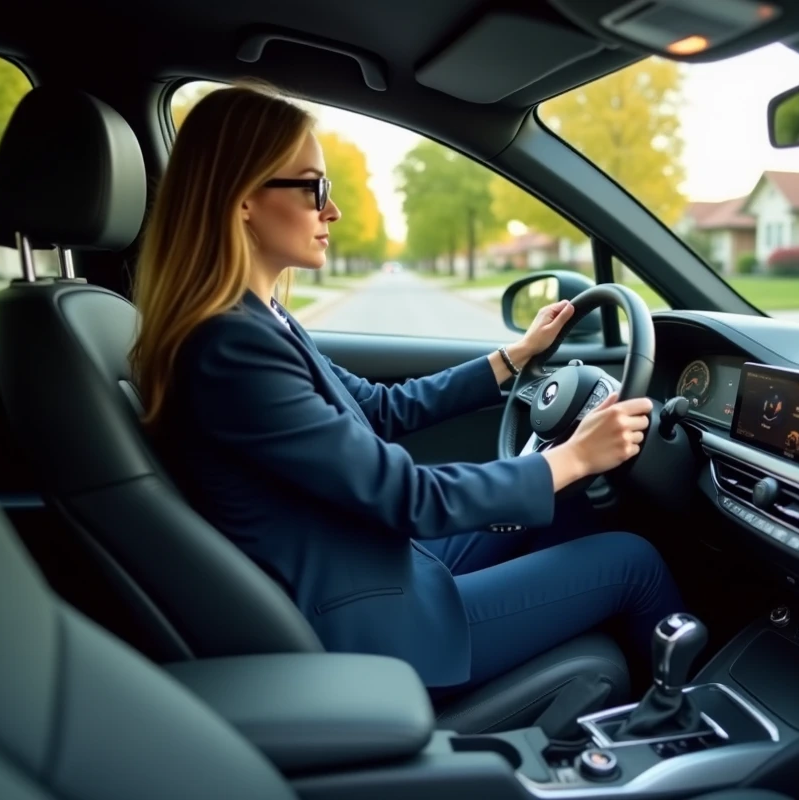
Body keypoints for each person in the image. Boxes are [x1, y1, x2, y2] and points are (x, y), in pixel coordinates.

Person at [130, 82, 687, 691]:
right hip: (373, 626)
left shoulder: (258, 320)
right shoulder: (231, 347)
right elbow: (406, 495)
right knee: (634, 562)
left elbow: (377, 408)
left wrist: (514, 357)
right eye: (315, 189)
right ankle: (685, 721)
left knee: (567, 504)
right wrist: (574, 456)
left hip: (375, 566)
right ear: (242, 199)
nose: (332, 212)